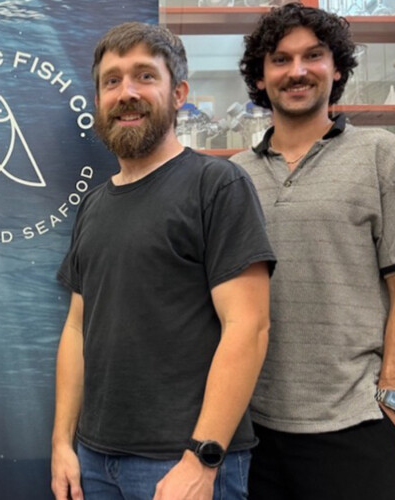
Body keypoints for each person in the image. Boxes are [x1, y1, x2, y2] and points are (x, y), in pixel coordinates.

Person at [51, 22, 276, 500]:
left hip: (184, 463)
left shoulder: (217, 185)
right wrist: (62, 443)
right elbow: (76, 329)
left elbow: (249, 327)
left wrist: (202, 458)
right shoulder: (93, 204)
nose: (126, 93)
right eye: (111, 81)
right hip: (94, 460)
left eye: (144, 77)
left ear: (179, 93)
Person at [230, 4, 395, 499]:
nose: (297, 71)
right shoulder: (233, 175)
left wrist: (390, 387)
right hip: (253, 429)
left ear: (337, 68)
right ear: (260, 78)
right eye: (280, 60)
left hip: (355, 423)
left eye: (313, 56)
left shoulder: (379, 154)